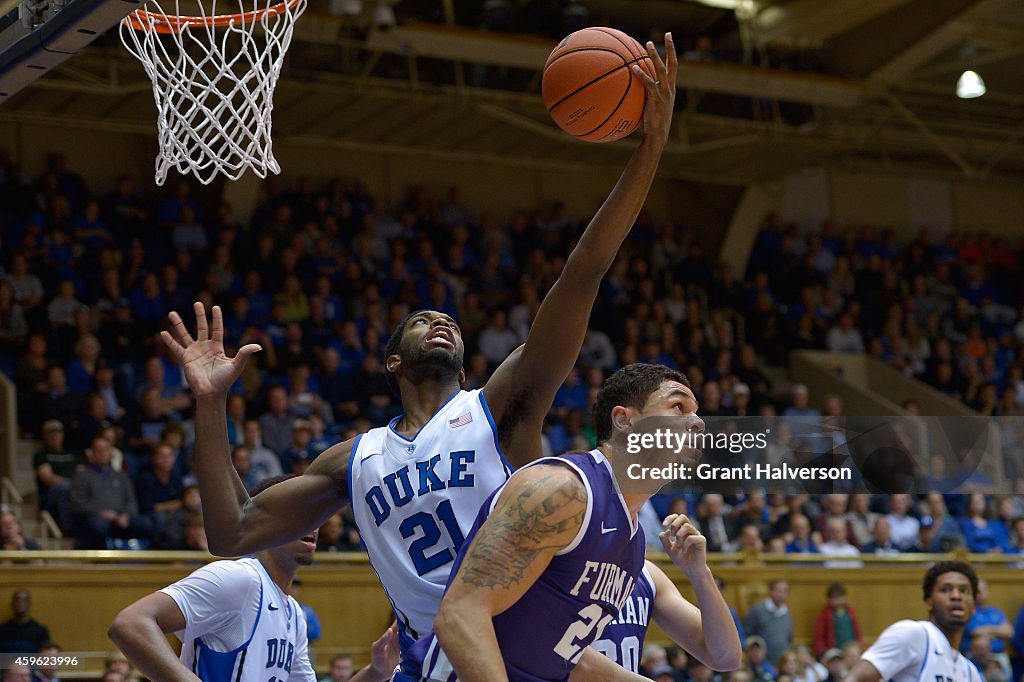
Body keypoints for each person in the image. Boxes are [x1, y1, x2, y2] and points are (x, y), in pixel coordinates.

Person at [161, 32, 678, 670]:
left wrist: (650, 147)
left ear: (464, 361)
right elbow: (231, 533)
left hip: (508, 644)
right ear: (392, 362)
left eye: (447, 320)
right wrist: (210, 405)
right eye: (420, 320)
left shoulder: (499, 407)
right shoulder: (356, 459)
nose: (438, 320)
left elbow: (583, 272)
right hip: (427, 659)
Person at [401, 363, 730, 681]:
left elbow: (559, 653)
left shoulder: (633, 542)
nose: (697, 422)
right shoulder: (562, 491)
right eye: (678, 407)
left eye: (696, 411)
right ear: (624, 420)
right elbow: (460, 615)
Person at [108, 475, 398, 682]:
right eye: (298, 512)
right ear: (265, 525)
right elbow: (130, 624)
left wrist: (376, 672)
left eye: (315, 514)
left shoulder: (294, 613)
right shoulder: (239, 578)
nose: (313, 522)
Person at [590, 555, 740, 675]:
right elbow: (575, 662)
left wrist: (700, 571)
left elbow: (726, 658)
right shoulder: (566, 574)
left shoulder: (646, 573)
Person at [843, 561, 981, 682]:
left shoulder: (970, 672)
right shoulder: (914, 634)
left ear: (974, 606)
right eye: (946, 590)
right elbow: (855, 679)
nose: (956, 596)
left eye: (964, 590)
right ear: (929, 602)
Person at [744, 580, 793, 663]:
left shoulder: (787, 614)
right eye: (779, 591)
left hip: (781, 663)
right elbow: (747, 633)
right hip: (761, 662)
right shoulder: (757, 610)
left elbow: (789, 639)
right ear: (770, 592)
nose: (782, 594)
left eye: (785, 591)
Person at [0, 589, 51, 654]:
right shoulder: (2, 630)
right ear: (12, 603)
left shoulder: (40, 630)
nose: (20, 603)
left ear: (30, 603)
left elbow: (46, 658)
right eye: (17, 600)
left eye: (24, 600)